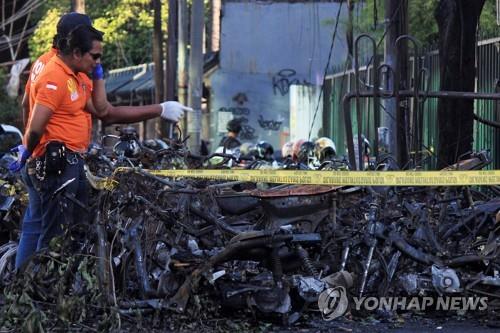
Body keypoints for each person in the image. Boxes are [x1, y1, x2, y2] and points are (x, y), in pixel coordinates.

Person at [16, 24, 191, 253]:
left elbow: (102, 111)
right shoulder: (55, 76)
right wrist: (28, 150)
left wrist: (97, 76)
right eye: (95, 56)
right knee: (52, 238)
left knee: (55, 229)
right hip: (55, 165)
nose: (98, 62)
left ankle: (32, 283)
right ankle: (31, 285)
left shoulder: (70, 72)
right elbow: (38, 125)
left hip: (66, 161)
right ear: (76, 50)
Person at [13, 12, 93, 270]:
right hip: (54, 160)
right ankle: (38, 293)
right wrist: (33, 143)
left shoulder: (41, 62)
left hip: (39, 157)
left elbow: (26, 103)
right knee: (52, 234)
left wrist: (29, 143)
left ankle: (20, 284)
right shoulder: (59, 69)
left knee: (34, 224)